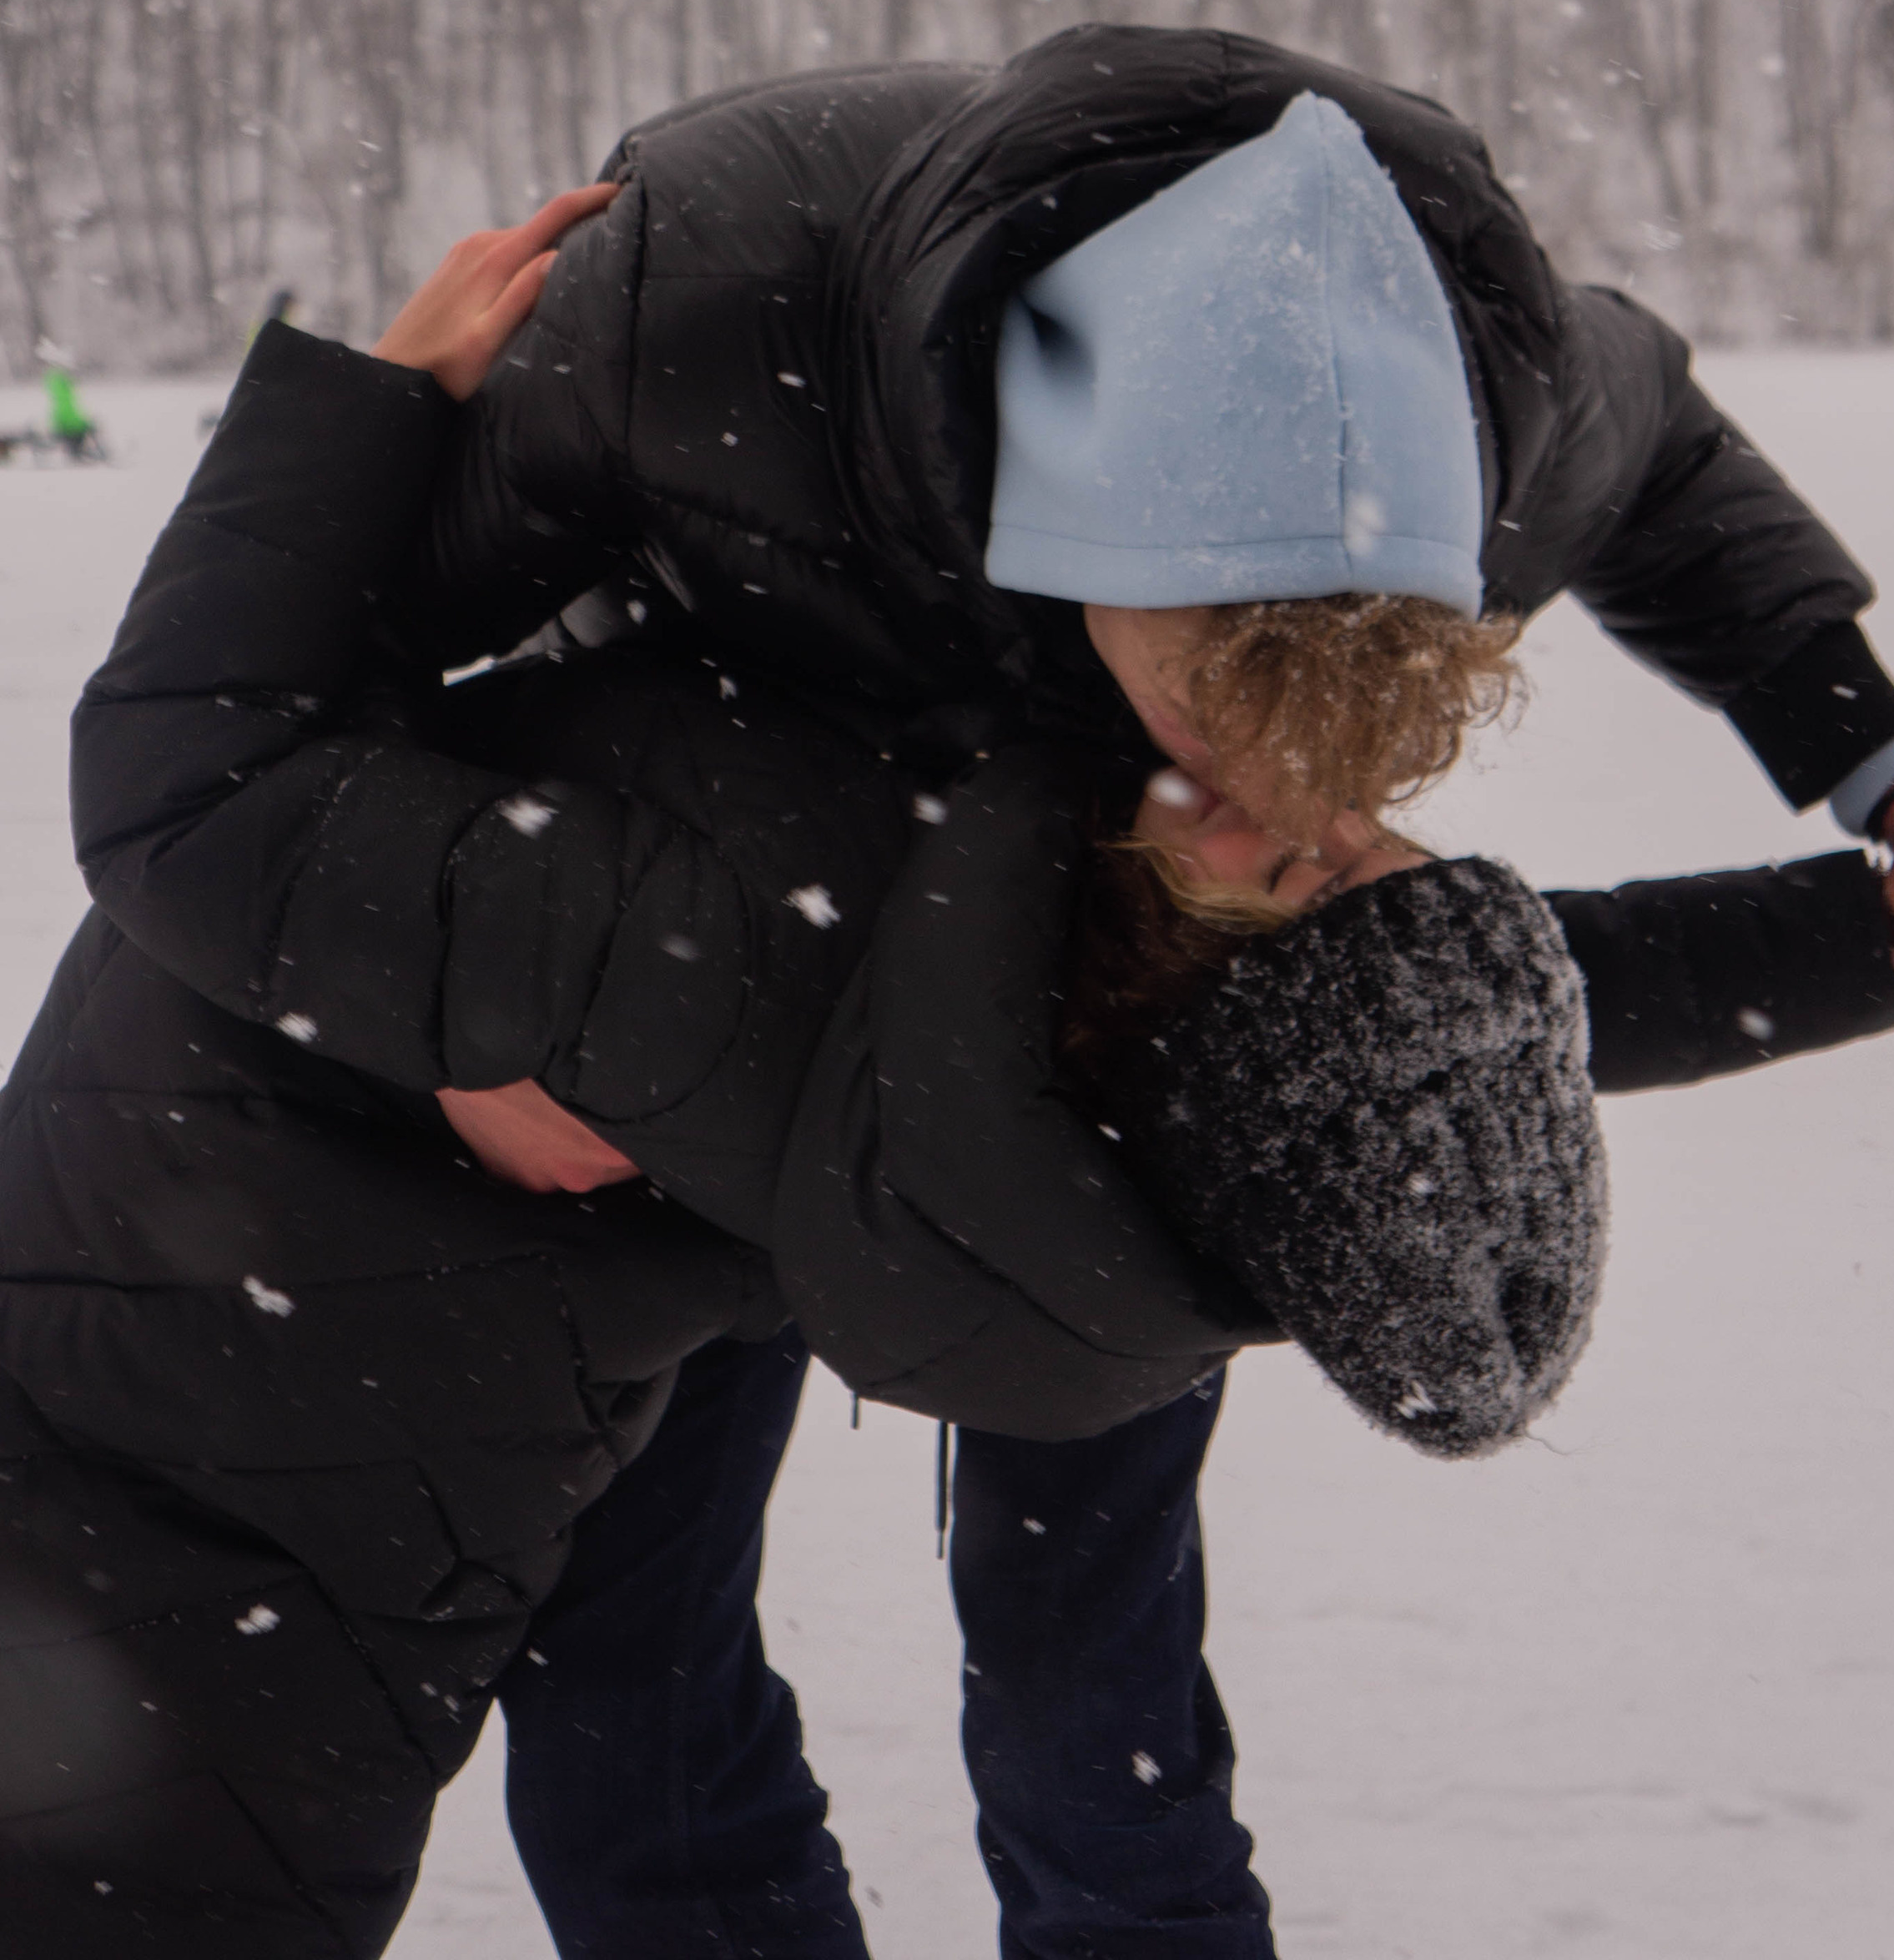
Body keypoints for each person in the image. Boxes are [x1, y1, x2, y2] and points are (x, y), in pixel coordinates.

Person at [375, 30, 1894, 1960]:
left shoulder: (1492, 424)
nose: (1288, 813)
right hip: (690, 977)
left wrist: (1880, 805)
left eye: (1331, 816)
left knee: (1089, 1668)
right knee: (624, 1643)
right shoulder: (700, 311)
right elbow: (340, 665)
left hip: (1079, 1037)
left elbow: (1465, 960)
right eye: (1239, 748)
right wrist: (471, 1019)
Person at [0, 187, 1625, 1955]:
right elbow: (1513, 1007)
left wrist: (356, 409)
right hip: (246, 1560)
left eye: (1315, 860)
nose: (1315, 794)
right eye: (1375, 828)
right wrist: (1870, 924)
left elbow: (183, 784)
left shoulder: (741, 961)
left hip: (150, 1552)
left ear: (1225, 998)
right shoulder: (1002, 1078)